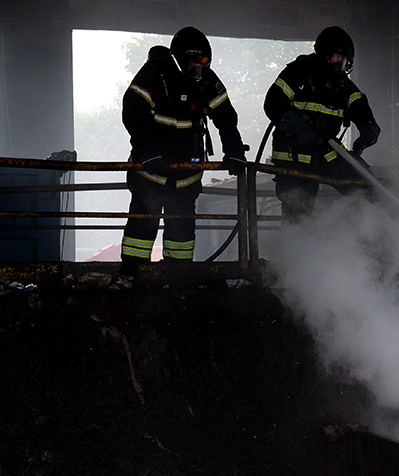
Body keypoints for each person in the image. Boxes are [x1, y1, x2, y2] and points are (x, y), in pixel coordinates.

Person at [118, 27, 246, 283]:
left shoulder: (207, 80)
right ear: (178, 58)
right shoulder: (155, 74)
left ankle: (178, 283)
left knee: (182, 235)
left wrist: (234, 150)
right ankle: (132, 280)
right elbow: (133, 111)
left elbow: (225, 117)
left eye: (204, 64)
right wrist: (148, 152)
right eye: (194, 64)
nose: (199, 70)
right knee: (140, 233)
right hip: (150, 176)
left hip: (186, 178)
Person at [263, 25, 381, 220]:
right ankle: (297, 248)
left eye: (346, 61)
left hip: (325, 151)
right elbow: (273, 103)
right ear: (324, 55)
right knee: (298, 213)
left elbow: (358, 104)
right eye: (338, 58)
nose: (342, 65)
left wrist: (368, 127)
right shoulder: (298, 72)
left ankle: (368, 240)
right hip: (294, 156)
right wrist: (299, 127)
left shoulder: (341, 84)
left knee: (366, 189)